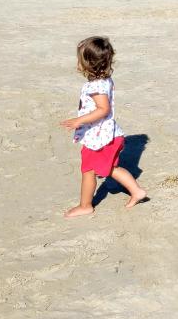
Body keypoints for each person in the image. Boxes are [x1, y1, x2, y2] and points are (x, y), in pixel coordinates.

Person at [59, 37, 147, 218]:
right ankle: (136, 191)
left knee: (88, 171)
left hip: (99, 138)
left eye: (80, 59)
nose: (77, 63)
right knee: (111, 168)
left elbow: (103, 109)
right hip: (110, 134)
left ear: (88, 63)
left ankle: (85, 206)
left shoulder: (96, 86)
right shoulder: (105, 80)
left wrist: (79, 121)